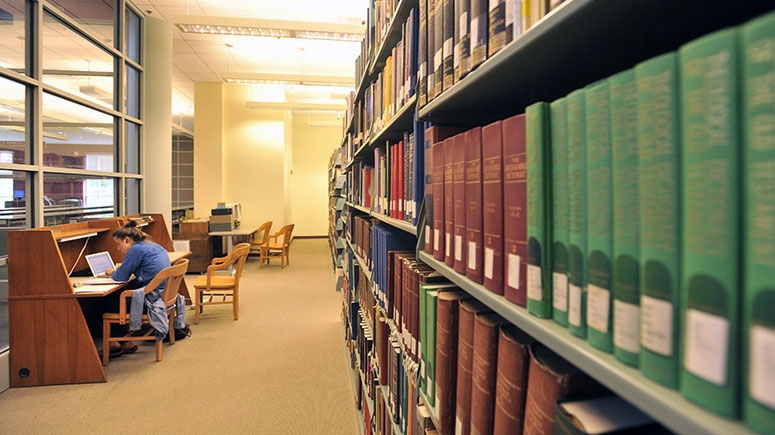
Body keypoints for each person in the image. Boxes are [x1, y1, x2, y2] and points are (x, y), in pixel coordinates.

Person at [103, 220, 171, 356]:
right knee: (118, 298)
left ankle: (118, 343)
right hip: (163, 296)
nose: (118, 248)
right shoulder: (152, 245)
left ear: (127, 239)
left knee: (108, 304)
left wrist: (113, 272)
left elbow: (121, 277)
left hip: (150, 300)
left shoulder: (136, 250)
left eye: (118, 244)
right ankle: (124, 341)